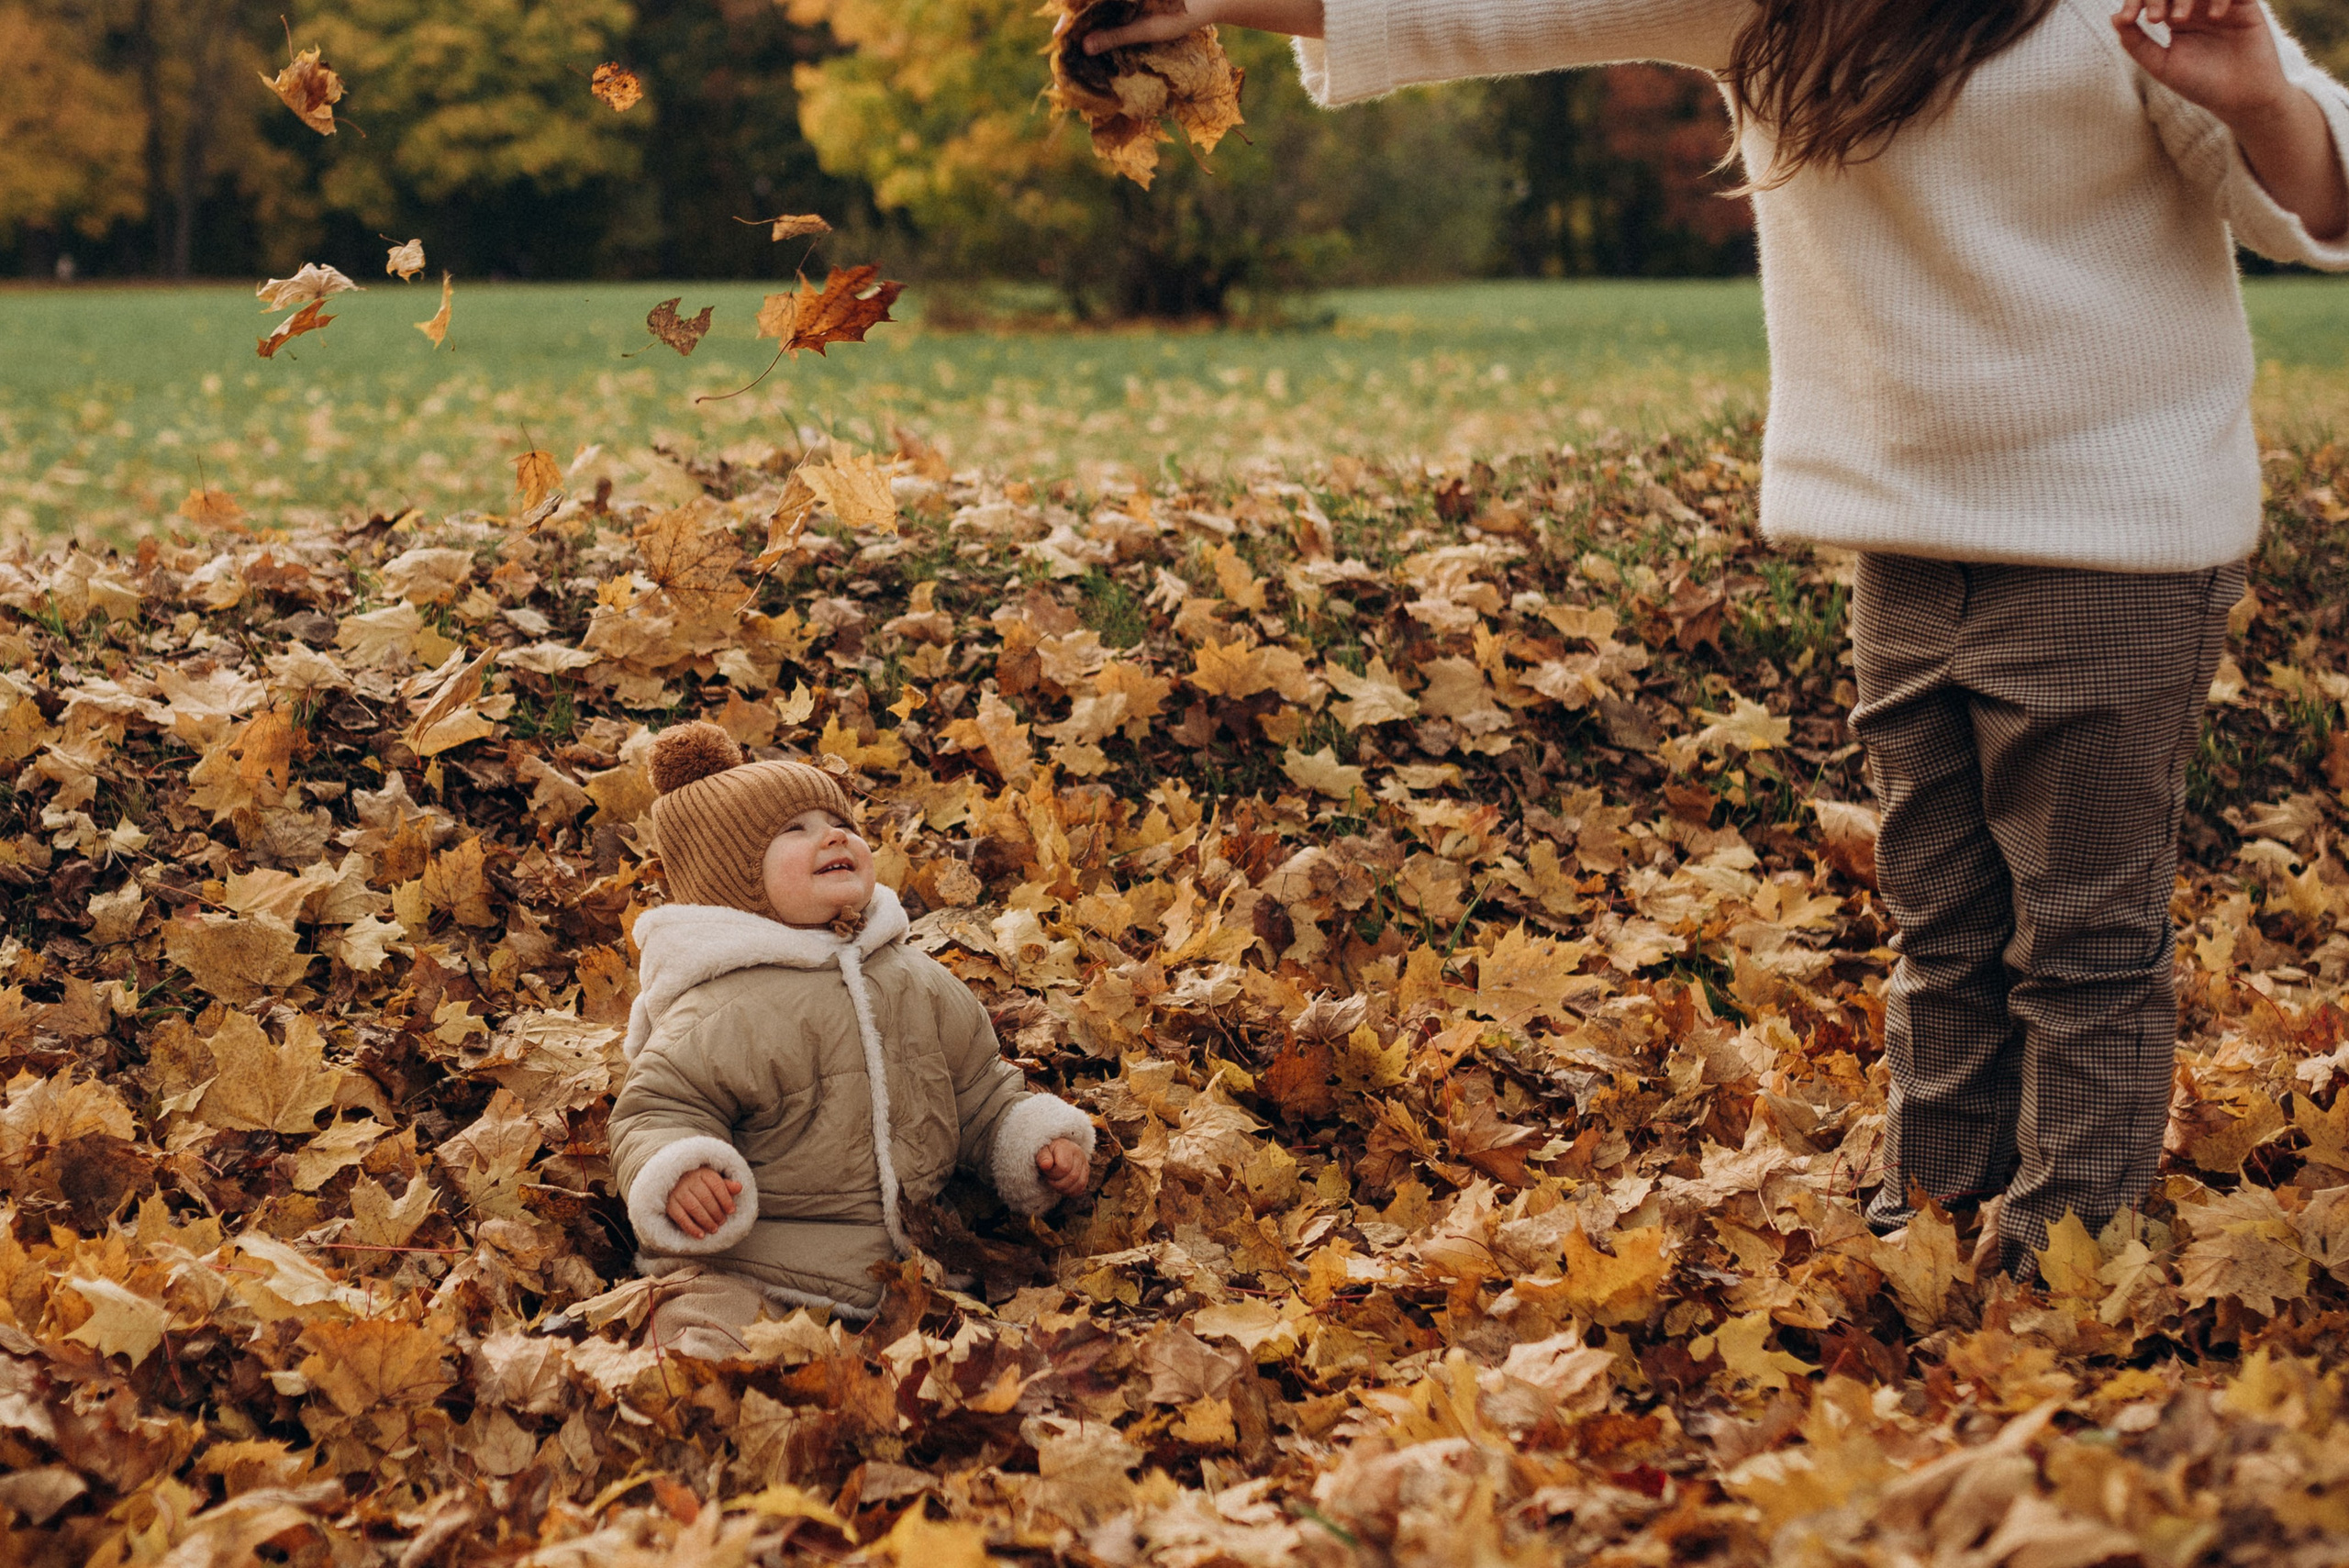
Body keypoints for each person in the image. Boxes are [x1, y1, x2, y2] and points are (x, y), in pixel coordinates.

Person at [1076, 0, 2349, 1274]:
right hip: (1905, 534)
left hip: (2116, 535)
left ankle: (2064, 1267)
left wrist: (2254, 95)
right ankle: (1931, 1227)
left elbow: (2315, 192)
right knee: (1944, 919)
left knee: (2080, 938)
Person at [607, 722, 1096, 1356]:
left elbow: (977, 1088)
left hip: (909, 1269)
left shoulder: (913, 979)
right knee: (705, 1316)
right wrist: (680, 1169)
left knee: (986, 1349)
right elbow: (659, 1108)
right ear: (732, 879)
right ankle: (702, 1376)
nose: (832, 835)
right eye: (794, 829)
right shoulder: (720, 1006)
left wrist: (1029, 1140)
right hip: (757, 1260)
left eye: (837, 823)